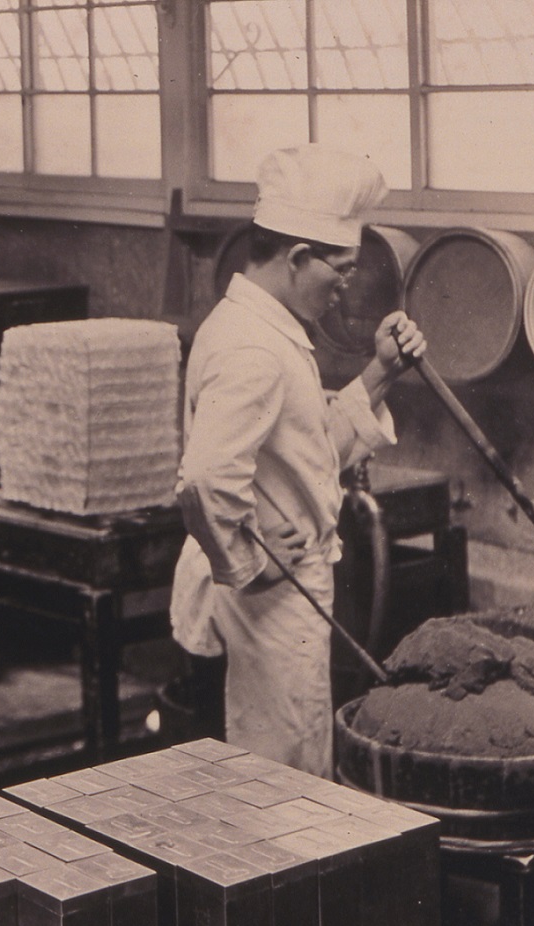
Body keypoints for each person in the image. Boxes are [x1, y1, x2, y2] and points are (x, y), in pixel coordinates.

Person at [170, 144, 428, 776]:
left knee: (293, 761)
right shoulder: (253, 349)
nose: (343, 288)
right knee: (279, 777)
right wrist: (250, 560)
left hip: (285, 590)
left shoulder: (264, 328)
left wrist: (380, 374)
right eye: (338, 269)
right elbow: (203, 480)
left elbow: (305, 455)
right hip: (268, 600)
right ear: (297, 258)